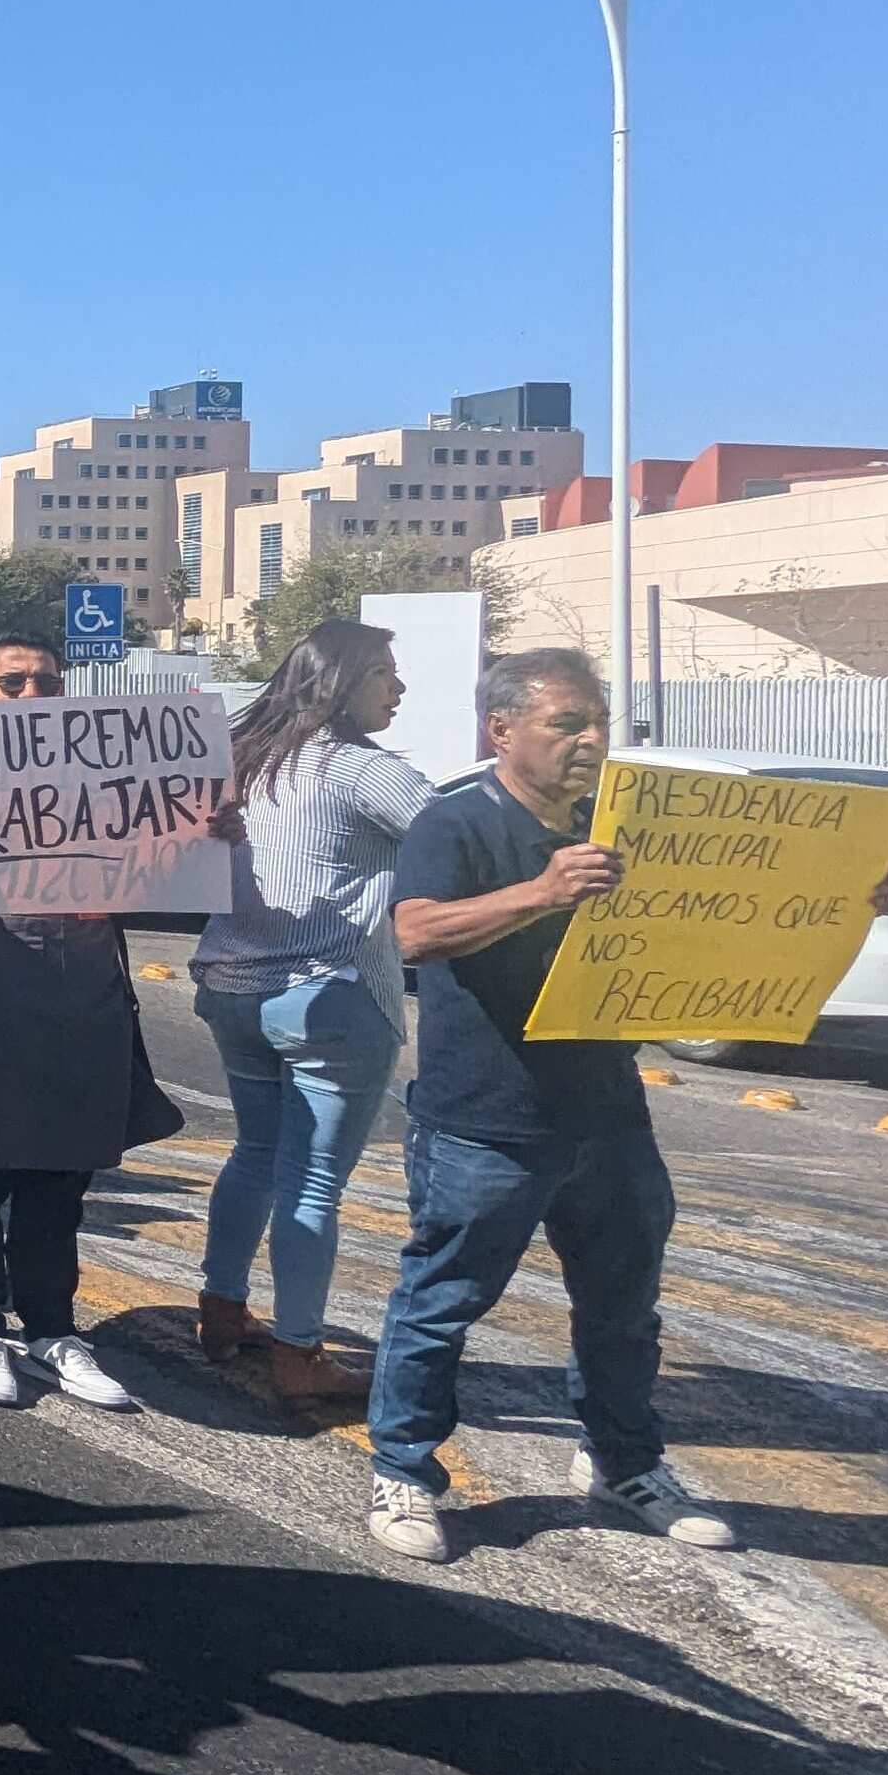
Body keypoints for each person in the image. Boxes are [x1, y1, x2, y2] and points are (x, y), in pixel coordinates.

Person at [360, 646, 741, 1568]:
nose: (590, 739)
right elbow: (411, 931)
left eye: (597, 720)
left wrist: (845, 896)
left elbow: (709, 924)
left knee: (622, 1306)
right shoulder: (455, 820)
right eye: (566, 722)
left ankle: (625, 1463)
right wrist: (543, 890)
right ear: (502, 729)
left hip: (608, 1113)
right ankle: (403, 1470)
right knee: (443, 1299)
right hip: (487, 1119)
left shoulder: (623, 826)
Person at [0, 636, 185, 1414]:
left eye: (45, 681)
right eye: (10, 682)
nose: (28, 694)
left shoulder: (110, 778)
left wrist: (202, 842)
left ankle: (53, 1331)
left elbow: (158, 890)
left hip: (78, 1005)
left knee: (59, 1178)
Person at [191, 618, 432, 1401]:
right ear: (341, 682)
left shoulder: (239, 756)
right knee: (315, 1181)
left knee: (255, 1155)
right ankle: (299, 1352)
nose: (398, 687)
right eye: (384, 674)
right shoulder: (362, 770)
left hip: (231, 989)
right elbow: (459, 839)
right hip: (328, 996)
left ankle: (221, 1310)